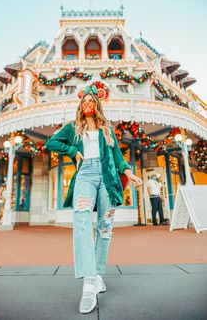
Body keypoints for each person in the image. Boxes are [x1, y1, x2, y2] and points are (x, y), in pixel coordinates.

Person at [46, 83, 143, 314]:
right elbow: (52, 142)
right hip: (86, 175)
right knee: (80, 219)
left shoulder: (107, 130)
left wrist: (129, 172)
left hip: (107, 178)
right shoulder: (72, 128)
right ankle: (89, 281)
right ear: (81, 106)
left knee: (105, 226)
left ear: (97, 105)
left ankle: (97, 274)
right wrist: (73, 152)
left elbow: (118, 157)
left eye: (91, 101)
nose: (88, 104)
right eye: (84, 101)